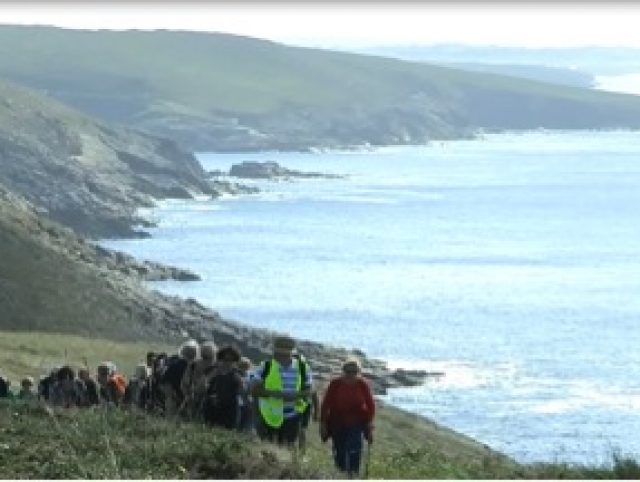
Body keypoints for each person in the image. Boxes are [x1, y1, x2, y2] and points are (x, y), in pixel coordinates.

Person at [251, 335, 312, 446]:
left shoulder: (302, 367)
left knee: (287, 449)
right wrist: (275, 394)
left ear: (290, 352)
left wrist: (295, 395)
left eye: (284, 353)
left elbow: (309, 390)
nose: (279, 356)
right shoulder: (265, 366)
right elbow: (254, 390)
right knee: (269, 448)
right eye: (278, 352)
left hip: (293, 416)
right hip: (269, 417)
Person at [320, 358, 375, 476]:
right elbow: (326, 404)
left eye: (354, 372)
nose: (350, 375)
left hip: (356, 422)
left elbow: (370, 405)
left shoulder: (362, 384)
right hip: (337, 422)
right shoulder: (335, 384)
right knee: (339, 451)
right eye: (348, 371)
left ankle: (353, 475)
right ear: (343, 371)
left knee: (354, 450)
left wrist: (370, 423)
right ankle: (340, 474)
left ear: (358, 372)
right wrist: (323, 423)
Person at [202, 345, 243, 429]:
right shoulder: (210, 370)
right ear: (219, 359)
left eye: (232, 360)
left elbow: (242, 393)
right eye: (225, 359)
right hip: (211, 408)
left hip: (229, 411)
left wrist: (240, 383)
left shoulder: (238, 374)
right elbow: (201, 387)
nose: (228, 363)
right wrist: (211, 376)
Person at [180, 340, 216, 419]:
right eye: (204, 357)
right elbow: (184, 383)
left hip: (206, 402)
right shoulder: (193, 365)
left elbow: (184, 384)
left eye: (208, 358)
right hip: (195, 401)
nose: (205, 361)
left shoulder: (214, 369)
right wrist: (188, 395)